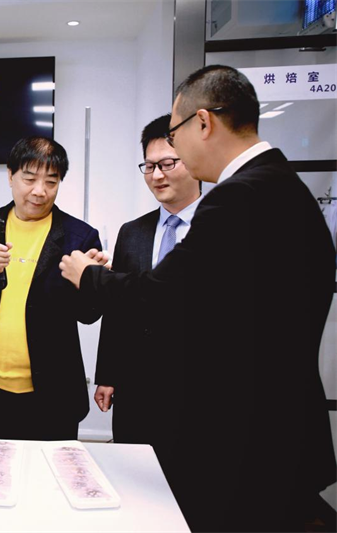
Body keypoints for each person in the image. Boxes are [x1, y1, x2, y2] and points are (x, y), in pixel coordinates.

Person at [60, 65, 337, 532]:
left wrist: (87, 276)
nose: (169, 160)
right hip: (272, 426)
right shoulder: (284, 187)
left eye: (175, 136)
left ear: (203, 123)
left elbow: (163, 298)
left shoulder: (239, 198)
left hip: (250, 436)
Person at [0, 136, 103, 441]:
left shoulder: (79, 236)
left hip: (54, 392)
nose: (40, 191)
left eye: (51, 182)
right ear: (10, 175)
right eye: (29, 179)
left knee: (51, 469)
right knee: (0, 466)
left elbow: (88, 315)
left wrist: (91, 281)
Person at [93, 114, 201, 456]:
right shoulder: (132, 232)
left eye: (168, 164)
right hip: (136, 384)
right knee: (134, 464)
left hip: (197, 385)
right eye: (149, 166)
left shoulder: (217, 225)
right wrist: (107, 375)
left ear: (193, 158)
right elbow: (117, 309)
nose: (157, 175)